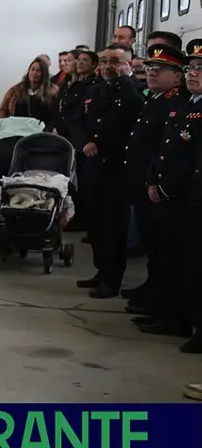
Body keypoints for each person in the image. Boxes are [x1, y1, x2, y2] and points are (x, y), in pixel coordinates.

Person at [140, 43, 202, 350]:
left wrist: (166, 187)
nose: (194, 75)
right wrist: (154, 180)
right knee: (170, 258)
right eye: (192, 68)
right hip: (168, 195)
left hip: (185, 198)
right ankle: (171, 316)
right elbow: (164, 149)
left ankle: (184, 321)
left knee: (187, 264)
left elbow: (192, 162)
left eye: (200, 69)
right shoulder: (186, 105)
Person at [71, 45, 145, 301]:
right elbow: (77, 121)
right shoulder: (94, 90)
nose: (106, 66)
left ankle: (113, 278)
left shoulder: (132, 90)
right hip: (93, 165)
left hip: (118, 167)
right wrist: (85, 142)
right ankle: (101, 270)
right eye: (103, 61)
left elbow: (133, 117)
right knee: (94, 222)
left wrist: (126, 79)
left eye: (114, 61)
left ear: (128, 63)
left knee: (114, 225)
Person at [124, 44, 186, 326]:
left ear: (177, 75)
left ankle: (166, 308)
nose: (151, 73)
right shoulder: (156, 98)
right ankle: (155, 298)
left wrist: (157, 183)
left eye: (159, 70)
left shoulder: (177, 102)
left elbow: (167, 150)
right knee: (155, 249)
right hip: (145, 183)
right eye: (149, 68)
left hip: (162, 188)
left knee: (166, 253)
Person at [0, 58, 59, 130]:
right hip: (17, 131)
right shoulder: (15, 90)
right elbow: (3, 109)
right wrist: (6, 126)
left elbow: (54, 117)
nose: (34, 72)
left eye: (38, 71)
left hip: (40, 134)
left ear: (44, 74)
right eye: (32, 69)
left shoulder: (51, 92)